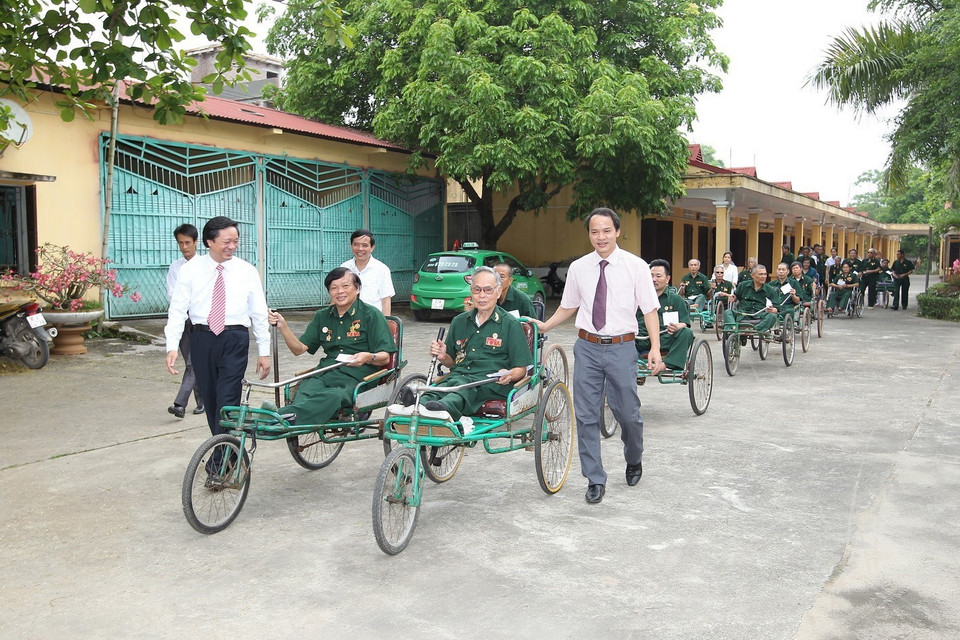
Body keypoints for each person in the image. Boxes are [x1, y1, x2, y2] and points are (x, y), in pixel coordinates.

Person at [533, 208, 663, 505]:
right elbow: (570, 306)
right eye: (594, 231)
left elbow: (650, 309)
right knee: (586, 414)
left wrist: (654, 347)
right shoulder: (579, 267)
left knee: (628, 413)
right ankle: (594, 478)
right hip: (588, 347)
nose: (600, 237)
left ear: (617, 231)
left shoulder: (636, 266)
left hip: (621, 347)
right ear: (589, 235)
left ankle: (634, 457)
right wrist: (547, 324)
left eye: (606, 230)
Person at [165, 216, 271, 441]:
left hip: (234, 338)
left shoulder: (247, 271)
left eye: (235, 241)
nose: (232, 246)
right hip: (202, 339)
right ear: (209, 242)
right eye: (226, 242)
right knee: (211, 400)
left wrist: (264, 351)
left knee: (228, 399)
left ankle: (224, 459)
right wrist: (172, 346)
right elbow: (177, 310)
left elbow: (259, 313)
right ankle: (225, 448)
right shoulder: (191, 270)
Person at [268, 268, 397, 424]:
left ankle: (275, 418)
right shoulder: (323, 316)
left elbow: (384, 358)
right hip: (325, 372)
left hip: (357, 377)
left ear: (357, 289)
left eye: (345, 286)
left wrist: (368, 357)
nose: (339, 291)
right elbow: (299, 349)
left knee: (333, 396)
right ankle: (286, 417)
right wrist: (283, 326)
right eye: (334, 288)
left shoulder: (371, 315)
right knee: (305, 390)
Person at [412, 266, 531, 422]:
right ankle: (416, 404)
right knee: (439, 389)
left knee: (461, 392)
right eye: (477, 290)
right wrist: (443, 356)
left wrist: (509, 374)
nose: (482, 296)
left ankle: (443, 409)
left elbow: (521, 369)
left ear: (498, 291)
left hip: (490, 383)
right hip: (459, 377)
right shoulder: (459, 321)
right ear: (471, 291)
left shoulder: (510, 324)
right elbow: (452, 362)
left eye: (488, 290)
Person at [166, 223, 204, 419]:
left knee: (193, 362)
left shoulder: (204, 266)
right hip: (182, 319)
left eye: (187, 242)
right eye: (180, 243)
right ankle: (202, 401)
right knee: (192, 363)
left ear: (196, 242)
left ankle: (180, 404)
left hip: (200, 320)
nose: (184, 247)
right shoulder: (175, 267)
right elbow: (173, 295)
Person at [639, 259, 694, 371]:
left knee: (686, 333)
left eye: (658, 276)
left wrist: (678, 326)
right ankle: (636, 364)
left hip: (664, 338)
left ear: (667, 279)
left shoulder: (676, 299)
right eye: (651, 276)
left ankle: (665, 365)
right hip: (642, 338)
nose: (654, 279)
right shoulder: (638, 297)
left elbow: (685, 323)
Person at [341, 229, 395, 315]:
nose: (360, 249)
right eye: (356, 245)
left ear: (372, 247)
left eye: (365, 245)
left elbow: (386, 301)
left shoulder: (382, 269)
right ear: (351, 245)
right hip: (347, 320)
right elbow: (336, 296)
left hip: (372, 321)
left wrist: (385, 325)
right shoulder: (344, 268)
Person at [464, 262, 537, 319]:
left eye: (501, 277)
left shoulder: (522, 299)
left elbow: (534, 327)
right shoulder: (486, 296)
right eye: (495, 277)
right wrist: (473, 310)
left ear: (510, 280)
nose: (498, 280)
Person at [725, 264, 780, 334]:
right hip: (743, 313)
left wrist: (772, 310)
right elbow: (735, 297)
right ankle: (733, 329)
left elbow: (777, 308)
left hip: (760, 314)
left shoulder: (770, 289)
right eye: (760, 274)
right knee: (727, 312)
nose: (763, 277)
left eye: (765, 274)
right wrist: (732, 298)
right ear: (752, 275)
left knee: (773, 316)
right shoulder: (743, 285)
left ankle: (754, 331)